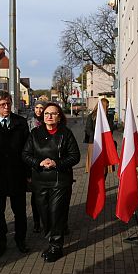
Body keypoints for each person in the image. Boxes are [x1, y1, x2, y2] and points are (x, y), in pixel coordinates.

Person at [22, 103, 80, 262]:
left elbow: (75, 156)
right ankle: (52, 239)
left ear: (59, 117)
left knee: (56, 213)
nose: (49, 116)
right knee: (44, 214)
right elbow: (25, 154)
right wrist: (39, 162)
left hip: (59, 181)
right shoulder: (35, 133)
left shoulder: (66, 134)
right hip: (40, 181)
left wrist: (56, 163)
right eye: (46, 113)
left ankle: (56, 246)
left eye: (53, 114)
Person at [0, 91, 30, 256]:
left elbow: (27, 150)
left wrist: (28, 174)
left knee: (20, 212)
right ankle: (0, 242)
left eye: (8, 103)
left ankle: (20, 240)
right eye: (3, 104)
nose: (7, 107)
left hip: (17, 175)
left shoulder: (21, 123)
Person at [26, 100, 46, 233]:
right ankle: (36, 222)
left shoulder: (48, 121)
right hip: (34, 163)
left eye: (41, 108)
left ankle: (47, 221)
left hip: (48, 162)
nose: (39, 110)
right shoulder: (28, 123)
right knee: (35, 196)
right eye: (36, 107)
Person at [84, 98, 114, 173]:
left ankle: (103, 181)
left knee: (105, 168)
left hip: (106, 144)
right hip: (94, 143)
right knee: (94, 166)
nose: (107, 108)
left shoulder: (109, 117)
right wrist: (97, 135)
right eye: (107, 106)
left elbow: (111, 130)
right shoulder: (91, 116)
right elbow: (88, 129)